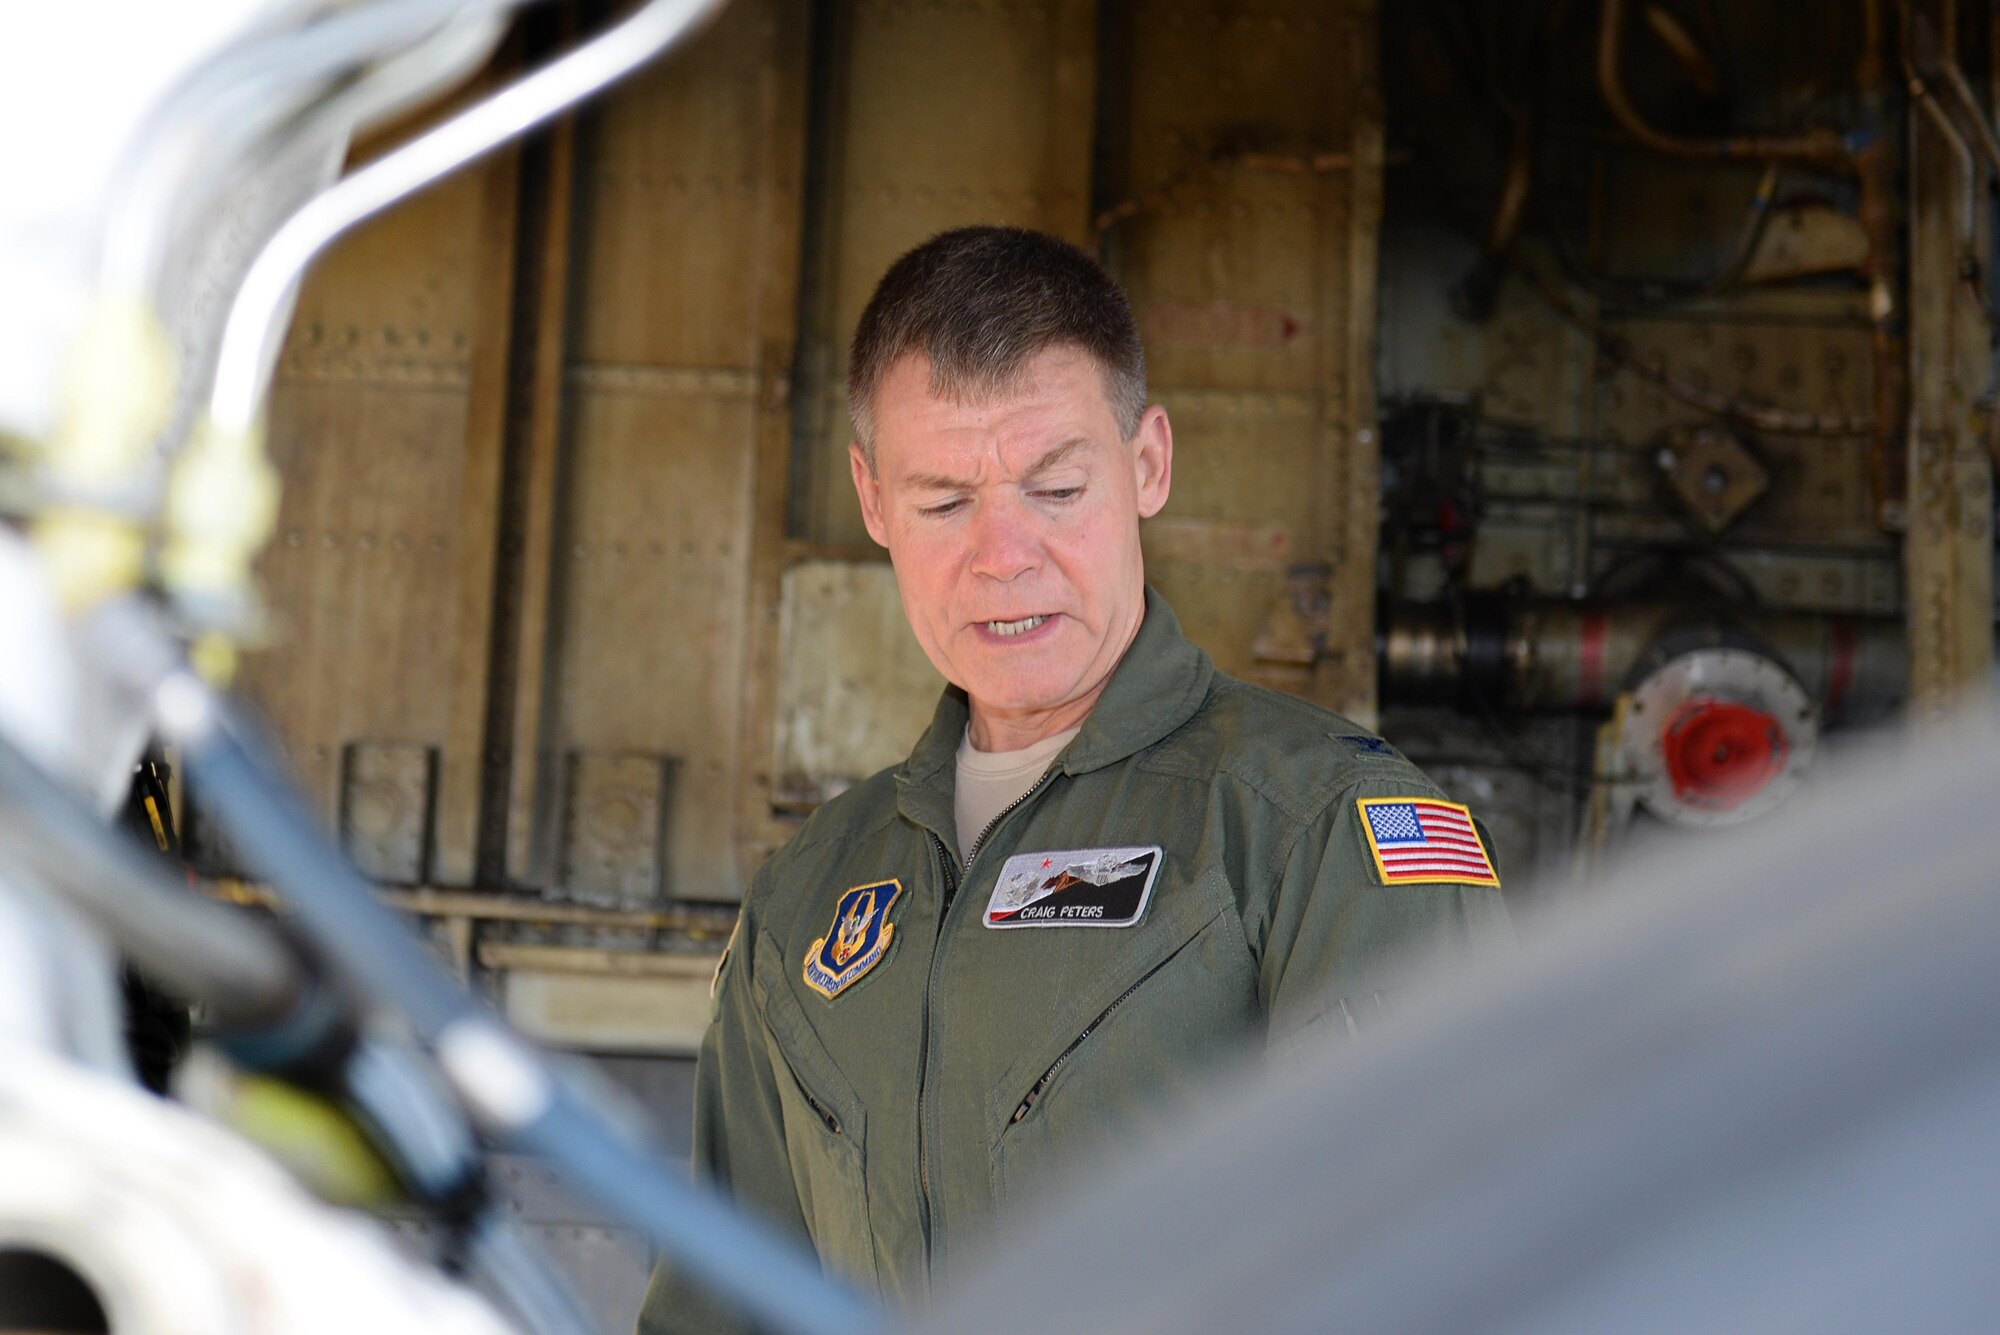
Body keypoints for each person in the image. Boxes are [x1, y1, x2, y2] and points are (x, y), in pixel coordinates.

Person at [638, 226, 1507, 1332]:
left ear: (1146, 464)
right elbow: (718, 1311)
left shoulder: (1317, 834)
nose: (1003, 555)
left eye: (1054, 489)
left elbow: (1449, 1269)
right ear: (870, 501)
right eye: (944, 503)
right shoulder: (806, 903)